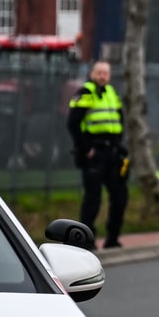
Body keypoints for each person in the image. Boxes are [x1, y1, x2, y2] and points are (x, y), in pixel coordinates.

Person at [67, 60, 129, 249]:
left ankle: (113, 238)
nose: (102, 76)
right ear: (92, 73)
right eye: (99, 72)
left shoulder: (111, 93)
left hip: (112, 152)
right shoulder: (85, 92)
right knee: (93, 198)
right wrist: (86, 149)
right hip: (95, 153)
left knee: (120, 196)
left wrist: (119, 145)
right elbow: (73, 123)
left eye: (106, 73)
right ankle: (87, 240)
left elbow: (119, 120)